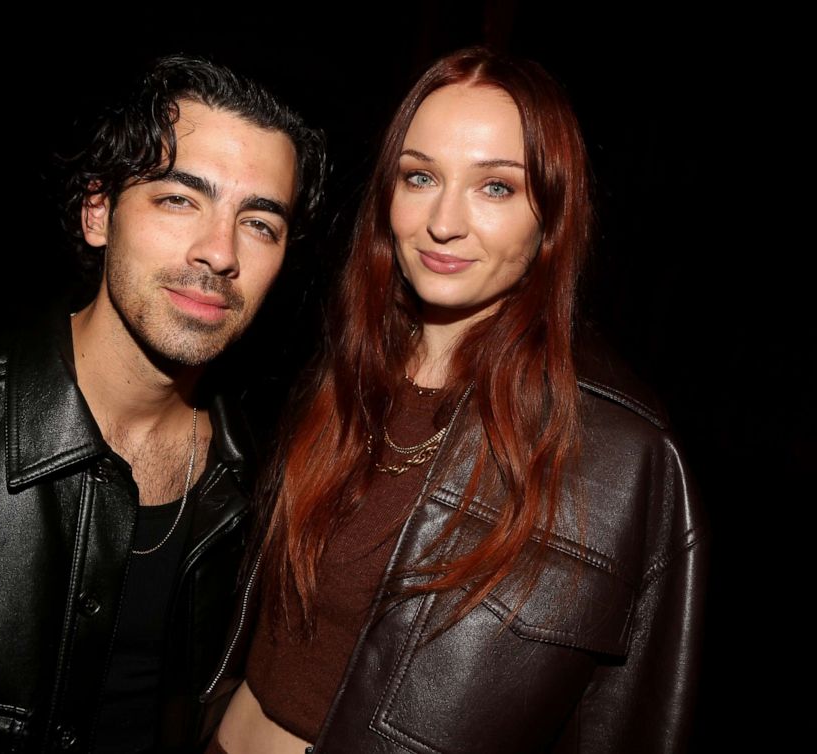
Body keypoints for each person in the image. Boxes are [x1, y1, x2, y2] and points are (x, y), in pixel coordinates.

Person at [206, 46, 707, 753]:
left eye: (495, 187)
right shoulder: (345, 375)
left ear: (551, 217)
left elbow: (629, 724)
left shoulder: (622, 457)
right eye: (420, 177)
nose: (444, 221)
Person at [0, 54, 325, 752]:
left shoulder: (271, 483)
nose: (220, 252)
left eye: (260, 223)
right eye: (180, 198)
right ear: (99, 212)